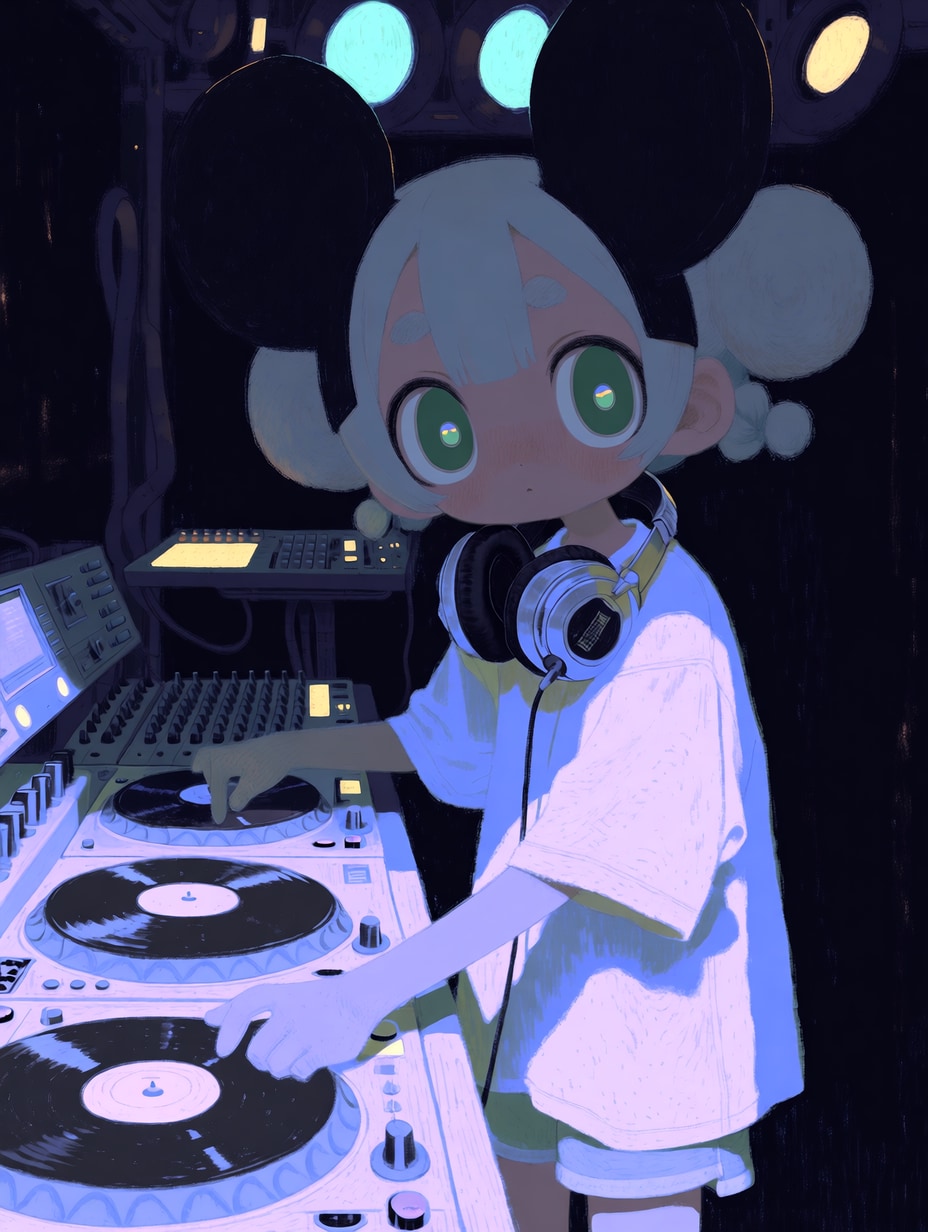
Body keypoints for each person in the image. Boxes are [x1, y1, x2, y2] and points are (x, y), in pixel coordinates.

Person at [192, 152, 871, 1229]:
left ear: (682, 403)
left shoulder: (672, 630)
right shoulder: (529, 588)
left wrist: (367, 994)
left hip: (647, 1052)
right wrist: (285, 749)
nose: (507, 451)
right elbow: (439, 739)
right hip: (521, 1010)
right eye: (444, 425)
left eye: (588, 388)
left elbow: (570, 866)